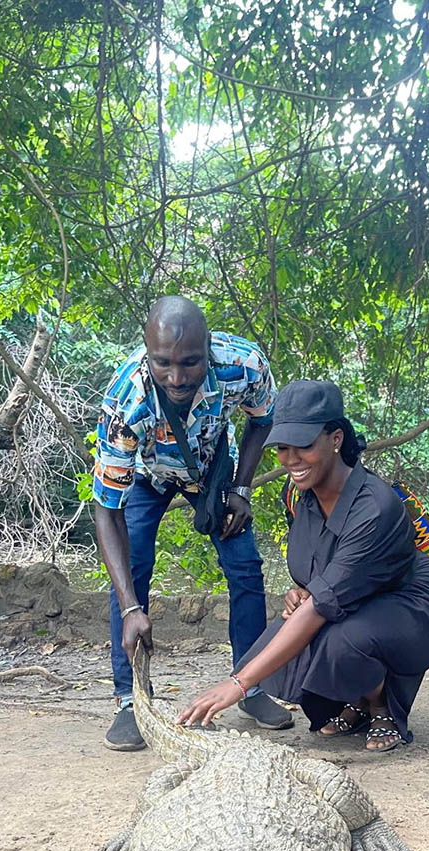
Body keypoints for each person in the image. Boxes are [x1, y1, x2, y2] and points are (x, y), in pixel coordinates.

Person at [177, 380, 429, 752]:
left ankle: (380, 706)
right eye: (282, 448)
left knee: (339, 640)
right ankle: (355, 703)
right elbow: (324, 571)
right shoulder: (297, 495)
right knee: (277, 641)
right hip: (358, 601)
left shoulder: (373, 507)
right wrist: (303, 591)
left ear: (336, 439)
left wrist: (238, 685)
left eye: (304, 446)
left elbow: (329, 598)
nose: (290, 459)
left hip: (415, 602)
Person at [93, 295, 293, 750]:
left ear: (210, 348)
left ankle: (250, 685)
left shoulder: (244, 365)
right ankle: (131, 701)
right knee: (131, 572)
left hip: (209, 469)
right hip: (146, 476)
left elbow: (263, 420)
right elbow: (107, 508)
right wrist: (130, 609)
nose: (177, 378)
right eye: (162, 363)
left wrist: (241, 490)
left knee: (245, 567)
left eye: (190, 362)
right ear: (147, 352)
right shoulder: (126, 402)